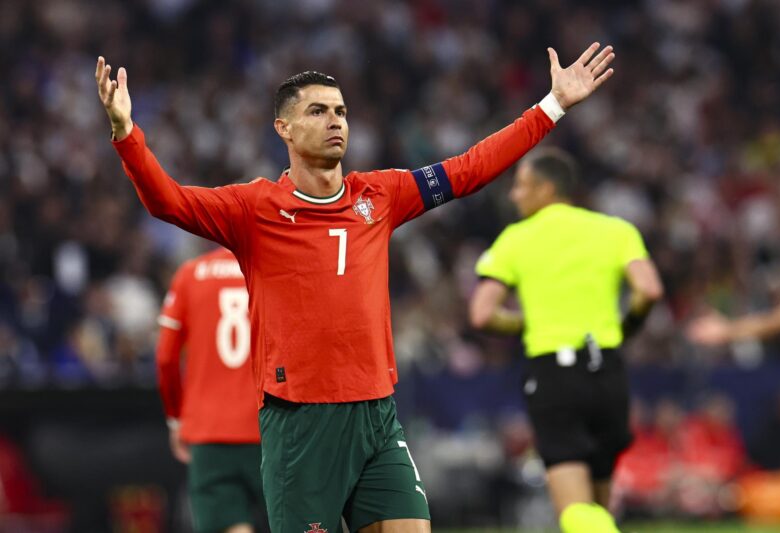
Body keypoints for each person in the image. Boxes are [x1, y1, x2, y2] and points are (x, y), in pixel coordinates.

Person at [95, 41, 615, 533]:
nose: (335, 121)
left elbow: (470, 169)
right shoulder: (253, 209)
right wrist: (126, 133)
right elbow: (167, 201)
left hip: (377, 415)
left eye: (341, 111)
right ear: (284, 128)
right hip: (301, 423)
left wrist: (552, 106)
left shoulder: (381, 195)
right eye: (318, 111)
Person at [469, 148, 663, 533]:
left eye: (521, 186)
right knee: (597, 507)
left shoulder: (516, 238)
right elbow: (649, 290)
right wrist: (628, 327)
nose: (514, 195)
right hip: (607, 370)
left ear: (545, 188)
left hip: (554, 376)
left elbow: (482, 313)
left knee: (574, 509)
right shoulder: (615, 230)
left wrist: (524, 324)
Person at [156, 246, 264, 533]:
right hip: (268, 427)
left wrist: (175, 418)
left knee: (229, 524)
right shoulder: (273, 268)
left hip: (209, 431)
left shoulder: (191, 274)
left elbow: (166, 357)